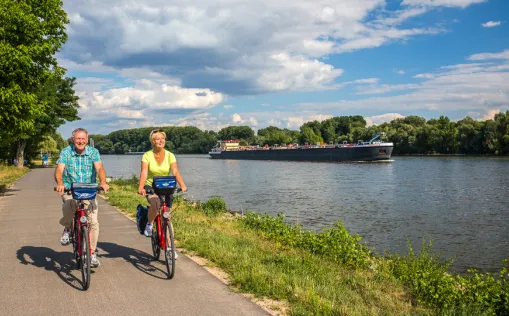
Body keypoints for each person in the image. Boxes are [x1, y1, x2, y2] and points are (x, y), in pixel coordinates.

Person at [54, 128, 110, 268]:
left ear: (87, 139)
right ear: (73, 139)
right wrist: (60, 183)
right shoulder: (66, 151)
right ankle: (67, 228)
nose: (80, 141)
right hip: (70, 188)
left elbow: (99, 168)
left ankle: (91, 253)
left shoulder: (93, 152)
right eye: (78, 139)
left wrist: (102, 181)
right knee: (67, 206)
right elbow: (59, 170)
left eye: (83, 139)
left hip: (88, 189)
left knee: (93, 222)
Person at [137, 129, 187, 254]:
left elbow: (175, 172)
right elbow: (144, 172)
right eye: (157, 139)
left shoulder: (170, 155)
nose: (161, 141)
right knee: (156, 204)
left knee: (167, 217)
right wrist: (141, 186)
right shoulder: (147, 155)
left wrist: (182, 184)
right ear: (152, 141)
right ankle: (149, 224)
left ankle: (170, 247)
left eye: (162, 138)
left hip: (166, 186)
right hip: (152, 186)